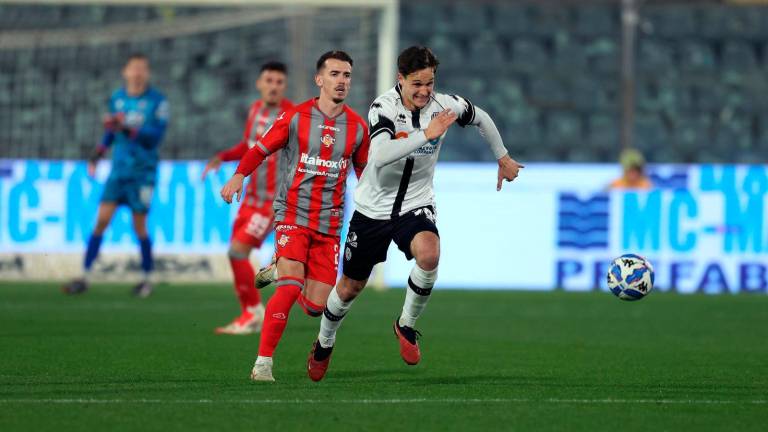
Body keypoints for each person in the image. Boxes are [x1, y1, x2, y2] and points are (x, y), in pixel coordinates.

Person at [306, 46, 524, 381]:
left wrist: (503, 156)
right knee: (350, 287)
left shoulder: (445, 105)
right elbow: (378, 155)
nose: (424, 91)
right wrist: (427, 134)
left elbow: (480, 116)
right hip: (372, 209)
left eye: (430, 83)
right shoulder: (384, 107)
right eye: (417, 84)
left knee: (429, 253)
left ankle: (406, 324)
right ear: (401, 80)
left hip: (415, 204)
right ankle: (325, 341)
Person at [220, 50, 370, 381]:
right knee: (289, 288)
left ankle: (278, 269)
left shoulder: (358, 128)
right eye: (334, 74)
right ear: (320, 79)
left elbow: (364, 175)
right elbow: (260, 148)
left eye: (346, 75)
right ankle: (263, 364)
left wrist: (379, 209)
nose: (341, 81)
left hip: (329, 225)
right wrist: (238, 176)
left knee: (317, 306)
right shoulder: (297, 117)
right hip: (292, 214)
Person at [62, 53, 169, 298]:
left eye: (142, 68)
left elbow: (155, 136)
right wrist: (97, 154)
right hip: (118, 171)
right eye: (134, 68)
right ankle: (84, 276)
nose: (138, 73)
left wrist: (127, 128)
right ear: (126, 71)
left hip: (143, 172)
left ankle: (146, 279)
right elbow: (111, 133)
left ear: (147, 73)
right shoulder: (117, 99)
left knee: (139, 226)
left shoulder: (157, 101)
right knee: (101, 220)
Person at [202, 62, 294, 335]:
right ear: (259, 84)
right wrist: (224, 156)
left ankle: (253, 312)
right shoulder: (255, 110)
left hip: (270, 201)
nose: (274, 86)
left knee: (237, 252)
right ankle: (254, 309)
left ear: (284, 86)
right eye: (269, 80)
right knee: (235, 253)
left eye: (279, 81)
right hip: (250, 197)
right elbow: (249, 146)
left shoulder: (291, 116)